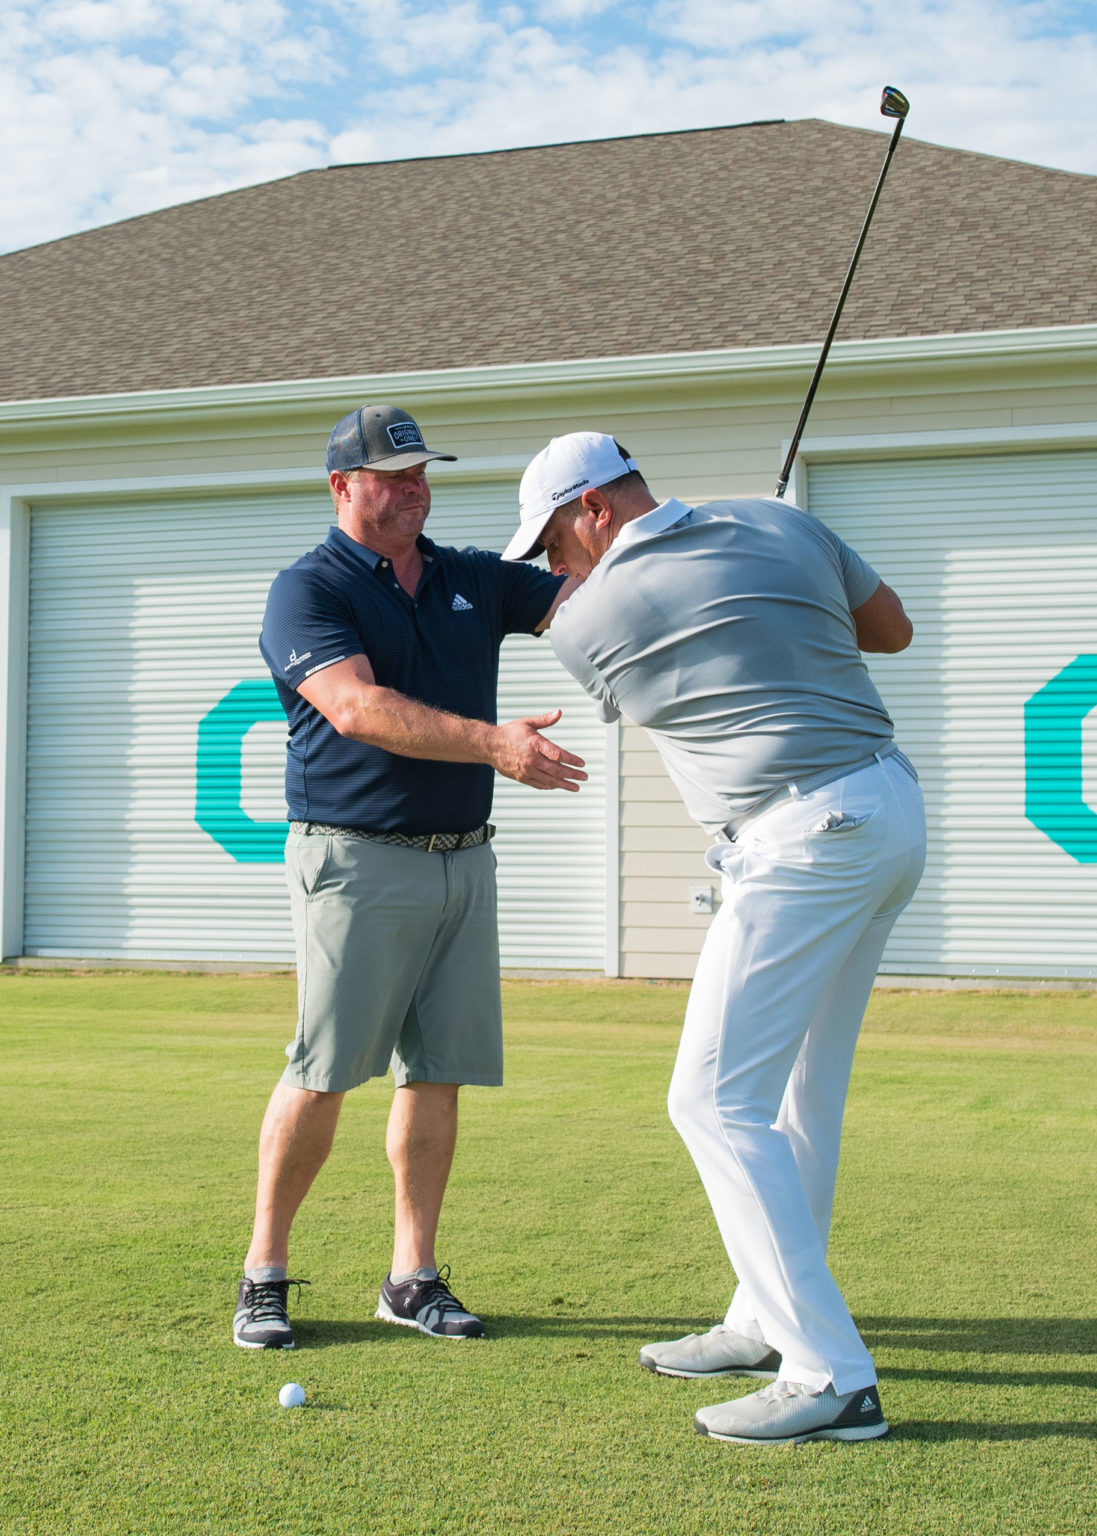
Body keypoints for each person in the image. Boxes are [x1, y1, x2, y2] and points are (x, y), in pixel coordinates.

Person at [502, 431, 926, 1446]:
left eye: (556, 541)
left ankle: (828, 1376)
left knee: (708, 1097)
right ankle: (760, 1322)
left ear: (594, 509)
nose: (556, 566)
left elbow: (633, 673)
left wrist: (724, 576)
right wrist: (776, 552)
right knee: (791, 1100)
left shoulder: (588, 619)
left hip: (799, 843)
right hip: (885, 811)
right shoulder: (783, 524)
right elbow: (890, 632)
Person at [233, 404, 583, 1351]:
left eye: (422, 474)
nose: (413, 492)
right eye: (393, 477)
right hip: (356, 861)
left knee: (437, 1075)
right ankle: (264, 1271)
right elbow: (354, 707)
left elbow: (583, 587)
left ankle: (412, 1276)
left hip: (463, 859)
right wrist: (493, 745)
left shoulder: (469, 576)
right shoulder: (306, 590)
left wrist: (695, 553)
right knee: (324, 1070)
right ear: (343, 487)